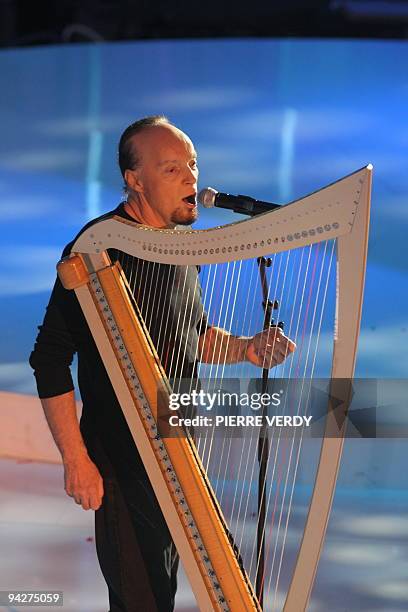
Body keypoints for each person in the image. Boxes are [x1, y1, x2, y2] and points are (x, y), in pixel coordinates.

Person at [29, 116, 296, 612]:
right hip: (122, 463)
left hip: (176, 454)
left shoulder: (178, 246)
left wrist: (246, 349)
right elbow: (48, 360)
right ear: (134, 179)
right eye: (172, 168)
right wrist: (77, 461)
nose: (191, 178)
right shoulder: (95, 250)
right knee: (142, 600)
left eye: (191, 164)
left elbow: (190, 338)